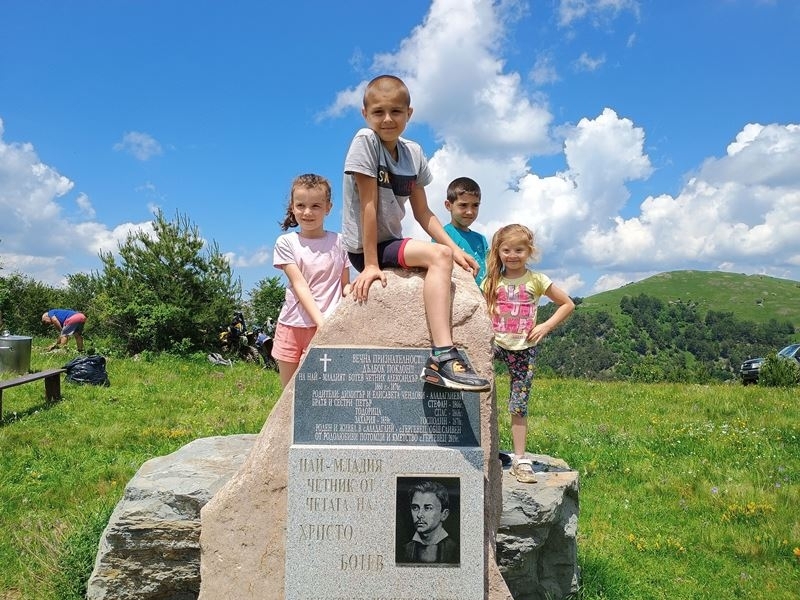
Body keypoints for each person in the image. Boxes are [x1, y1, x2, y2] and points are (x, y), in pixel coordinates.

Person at [341, 74, 490, 392]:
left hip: (391, 241)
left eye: (396, 111)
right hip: (365, 247)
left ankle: (442, 358)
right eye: (378, 112)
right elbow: (368, 205)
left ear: (409, 113)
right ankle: (443, 357)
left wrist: (456, 249)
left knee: (444, 254)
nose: (387, 119)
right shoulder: (365, 142)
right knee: (438, 257)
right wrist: (371, 265)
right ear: (365, 114)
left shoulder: (413, 153)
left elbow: (423, 213)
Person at [482, 224, 574, 483]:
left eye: (519, 250)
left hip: (524, 348)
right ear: (498, 252)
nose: (512, 255)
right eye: (507, 250)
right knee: (482, 396)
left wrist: (545, 326)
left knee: (519, 405)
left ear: (529, 251)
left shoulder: (537, 280)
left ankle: (520, 459)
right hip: (494, 345)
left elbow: (567, 304)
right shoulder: (490, 281)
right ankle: (486, 449)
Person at [271, 173, 351, 387]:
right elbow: (300, 285)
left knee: (321, 391)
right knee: (289, 393)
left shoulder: (341, 242)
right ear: (292, 207)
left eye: (316, 205)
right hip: (292, 326)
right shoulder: (286, 242)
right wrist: (321, 322)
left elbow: (345, 286)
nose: (307, 212)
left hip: (329, 324)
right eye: (301, 205)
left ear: (328, 208)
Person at [439, 177, 488, 285]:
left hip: (482, 293)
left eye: (475, 205)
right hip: (458, 291)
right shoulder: (443, 235)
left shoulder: (481, 239)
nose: (470, 212)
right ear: (448, 205)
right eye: (463, 205)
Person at [402, 480, 459, 564]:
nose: (419, 515)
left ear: (444, 514)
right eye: (415, 508)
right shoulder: (403, 550)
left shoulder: (456, 550)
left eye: (428, 508)